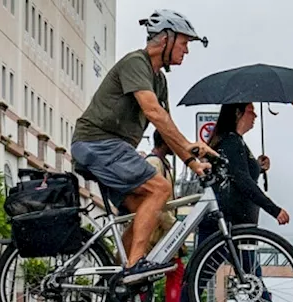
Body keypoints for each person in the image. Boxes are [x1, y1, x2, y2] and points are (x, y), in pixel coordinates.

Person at [69, 9, 216, 285]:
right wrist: (188, 147)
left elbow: (165, 129)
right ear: (165, 39)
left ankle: (111, 280)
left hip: (111, 149)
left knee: (144, 211)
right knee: (160, 188)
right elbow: (154, 113)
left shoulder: (159, 80)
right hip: (97, 142)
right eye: (184, 43)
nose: (186, 50)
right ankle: (133, 266)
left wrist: (194, 162)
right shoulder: (136, 63)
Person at [165, 102, 293, 302]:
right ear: (238, 113)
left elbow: (242, 174)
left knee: (245, 277)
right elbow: (242, 181)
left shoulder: (235, 142)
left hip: (234, 222)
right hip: (226, 222)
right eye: (251, 110)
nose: (255, 115)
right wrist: (273, 209)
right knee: (213, 276)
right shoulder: (231, 142)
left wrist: (259, 166)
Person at [124, 132, 187, 302]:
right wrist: (177, 230)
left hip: (158, 233)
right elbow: (156, 204)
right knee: (146, 276)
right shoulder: (154, 164)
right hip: (155, 234)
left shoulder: (161, 163)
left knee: (151, 277)